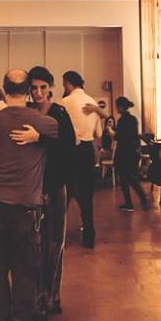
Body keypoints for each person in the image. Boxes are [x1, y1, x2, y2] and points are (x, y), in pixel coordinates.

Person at [0, 68, 58, 321]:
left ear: (4, 88)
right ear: (28, 90)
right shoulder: (44, 123)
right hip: (25, 206)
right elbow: (64, 141)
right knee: (25, 269)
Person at [26, 66, 76, 320]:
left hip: (55, 185)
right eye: (34, 88)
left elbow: (68, 147)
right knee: (34, 245)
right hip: (33, 186)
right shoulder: (26, 113)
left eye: (42, 87)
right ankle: (37, 295)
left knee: (55, 243)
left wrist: (40, 139)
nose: (38, 92)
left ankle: (51, 295)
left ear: (50, 88)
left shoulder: (59, 113)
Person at [61, 71, 102, 249]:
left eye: (64, 84)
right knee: (86, 197)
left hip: (69, 151)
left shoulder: (64, 102)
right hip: (87, 151)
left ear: (68, 83)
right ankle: (89, 237)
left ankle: (58, 235)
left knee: (64, 194)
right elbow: (98, 133)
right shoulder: (92, 102)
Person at [113, 96, 148, 213]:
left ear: (120, 107)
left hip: (123, 152)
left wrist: (111, 132)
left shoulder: (122, 121)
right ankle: (142, 198)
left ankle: (129, 202)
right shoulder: (133, 119)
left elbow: (118, 137)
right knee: (130, 177)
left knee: (124, 178)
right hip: (132, 152)